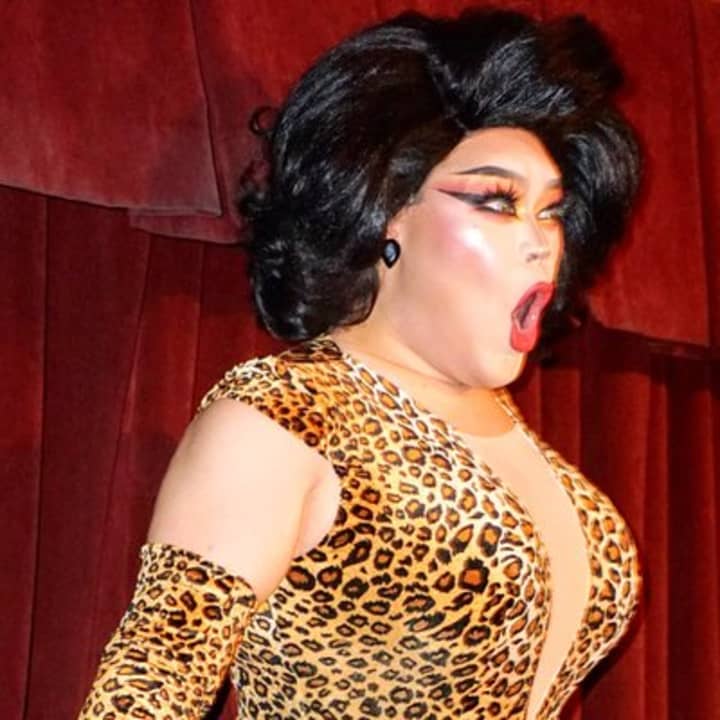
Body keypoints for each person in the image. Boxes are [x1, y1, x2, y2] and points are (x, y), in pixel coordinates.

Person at [79, 7, 643, 720]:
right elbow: (148, 690)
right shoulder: (287, 417)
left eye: (551, 210)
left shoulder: (514, 441)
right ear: (385, 211)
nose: (542, 243)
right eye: (497, 202)